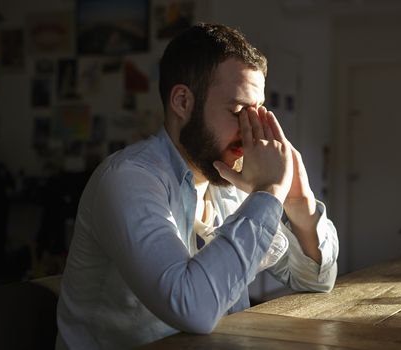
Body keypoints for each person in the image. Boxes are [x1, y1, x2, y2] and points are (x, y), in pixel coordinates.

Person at [56, 23, 339, 349]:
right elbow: (192, 308)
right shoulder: (127, 180)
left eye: (257, 112)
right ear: (182, 101)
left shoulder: (228, 182)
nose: (251, 130)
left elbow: (315, 279)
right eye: (238, 111)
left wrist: (298, 201)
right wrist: (269, 191)